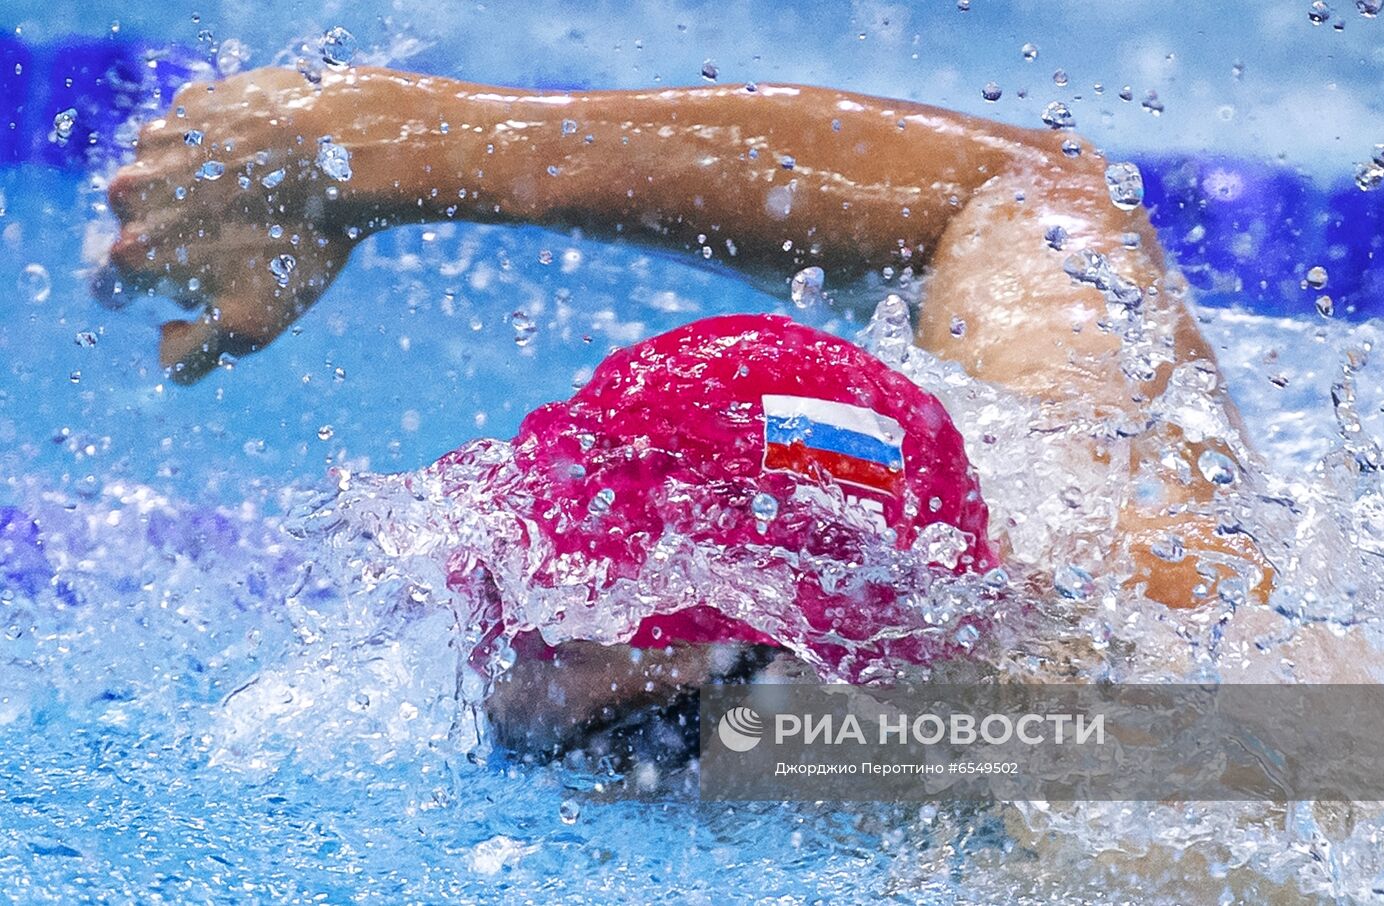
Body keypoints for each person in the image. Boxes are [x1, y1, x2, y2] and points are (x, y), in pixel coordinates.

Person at [103, 65, 1274, 750]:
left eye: (636, 733)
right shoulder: (1111, 508)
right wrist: (394, 148)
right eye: (517, 611)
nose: (518, 699)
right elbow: (1020, 191)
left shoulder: (1188, 790)